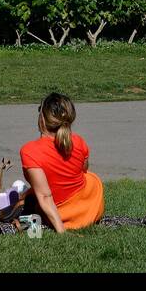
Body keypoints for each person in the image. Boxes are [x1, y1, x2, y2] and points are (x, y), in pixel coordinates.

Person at [20, 92, 104, 233]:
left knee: (27, 201)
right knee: (90, 177)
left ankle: (36, 225)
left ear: (42, 118)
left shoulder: (30, 151)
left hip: (59, 214)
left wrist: (61, 231)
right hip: (91, 209)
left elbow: (45, 197)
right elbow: (83, 169)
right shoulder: (79, 142)